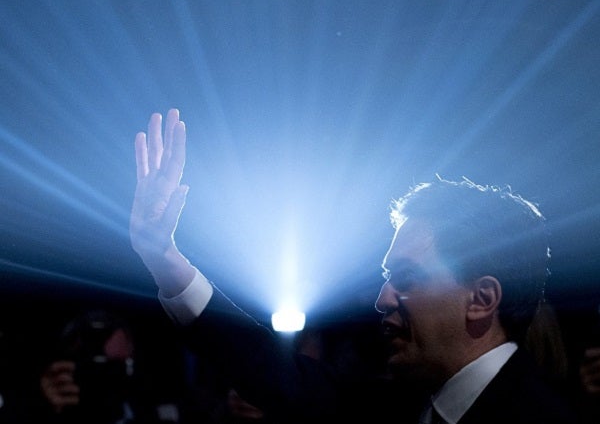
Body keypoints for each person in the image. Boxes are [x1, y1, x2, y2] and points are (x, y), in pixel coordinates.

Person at [130, 108, 581, 423]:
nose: (383, 299)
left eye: (406, 278)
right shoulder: (402, 403)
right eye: (387, 279)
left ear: (481, 299)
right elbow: (272, 372)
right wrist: (165, 259)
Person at [36, 309, 183, 424]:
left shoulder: (163, 412)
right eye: (90, 370)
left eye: (112, 369)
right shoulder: (56, 407)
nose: (100, 382)